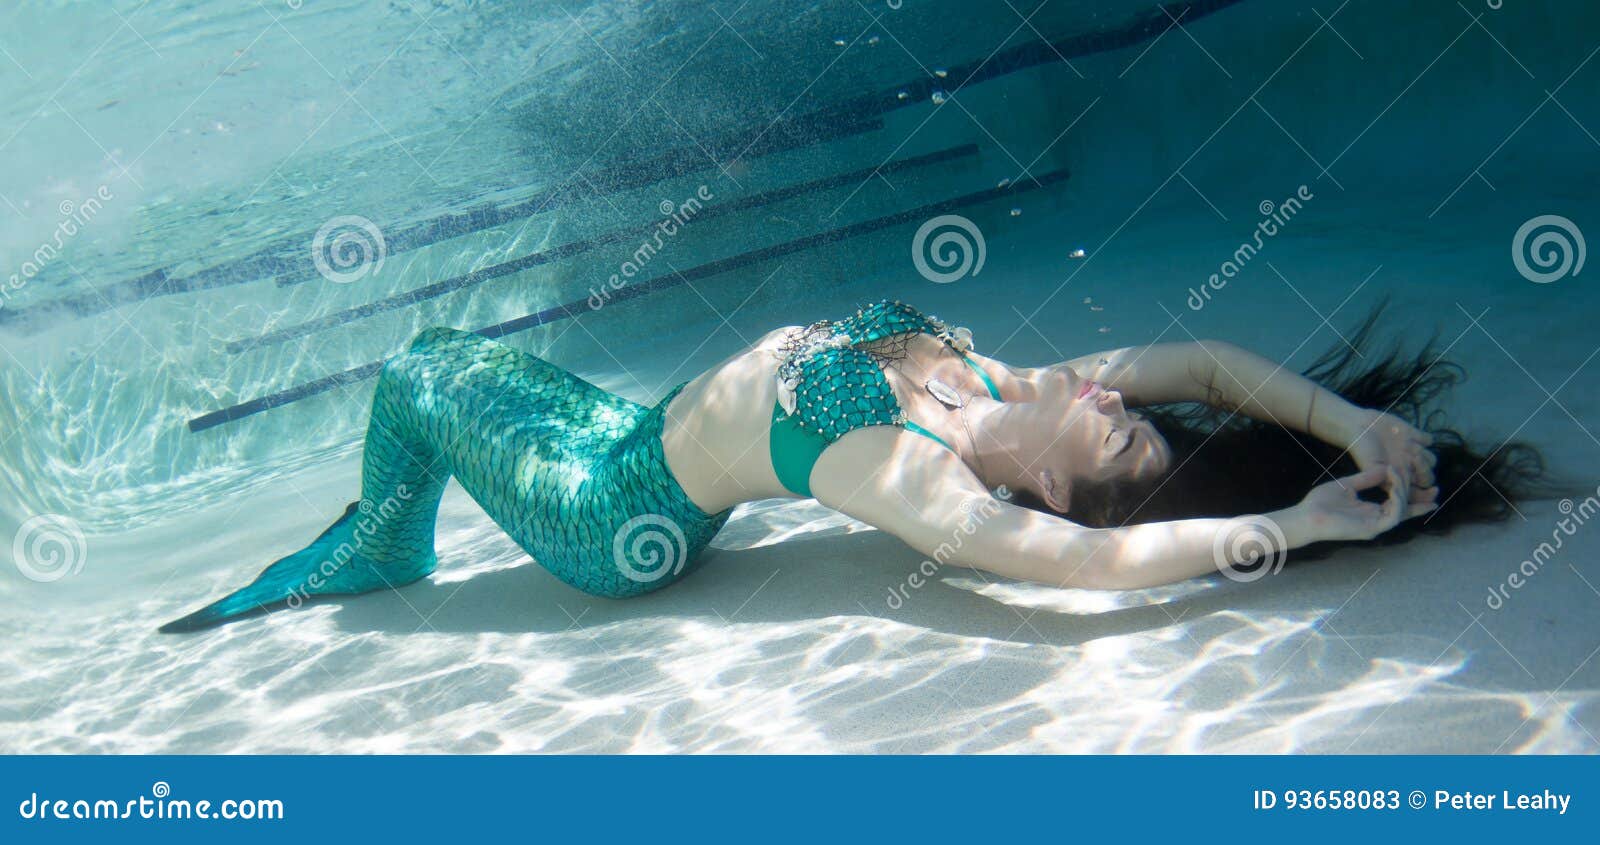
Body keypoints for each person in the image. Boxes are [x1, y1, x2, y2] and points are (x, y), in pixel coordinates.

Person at [160, 300, 1543, 632]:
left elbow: (1108, 561)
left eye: (1115, 428)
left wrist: (1297, 526)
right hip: (618, 426)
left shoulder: (917, 475)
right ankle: (387, 532)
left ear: (1049, 486)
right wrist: (1352, 428)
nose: (1111, 392)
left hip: (610, 517)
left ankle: (383, 547)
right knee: (447, 342)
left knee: (413, 377)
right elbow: (1209, 367)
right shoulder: (1003, 379)